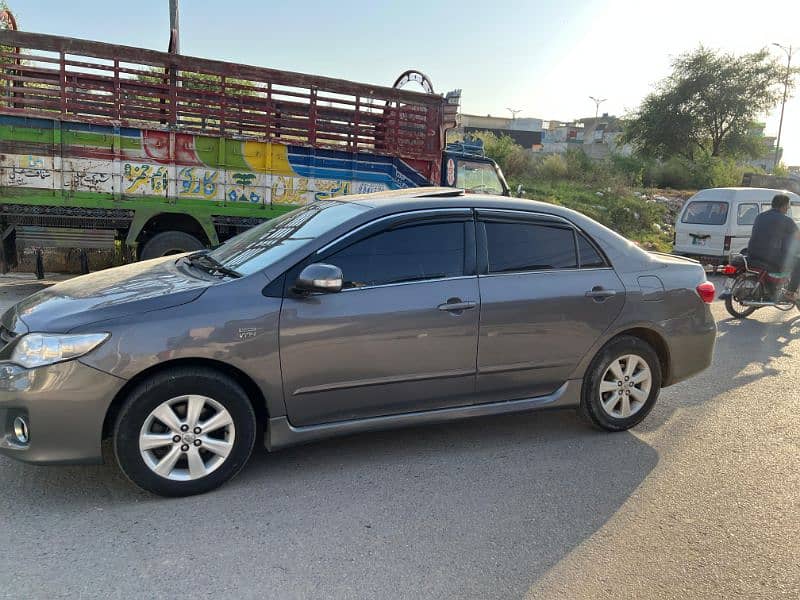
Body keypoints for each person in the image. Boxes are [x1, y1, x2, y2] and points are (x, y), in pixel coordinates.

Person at [747, 193, 800, 300]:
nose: (788, 208)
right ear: (784, 206)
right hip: (770, 258)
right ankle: (790, 292)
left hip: (752, 253)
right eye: (788, 206)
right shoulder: (786, 220)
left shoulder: (760, 216)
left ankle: (773, 287)